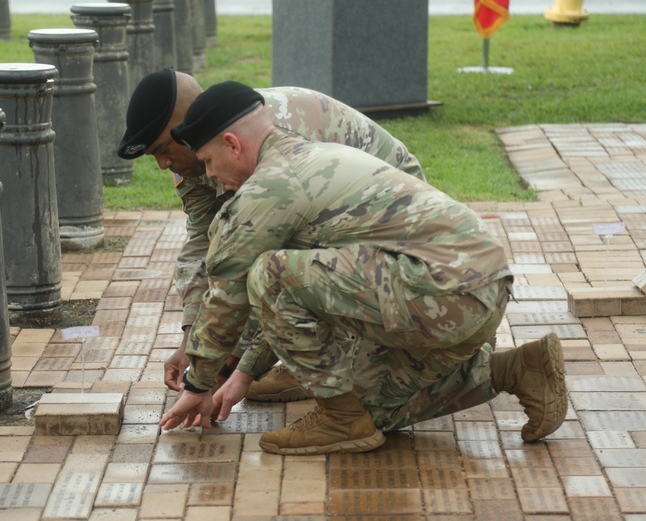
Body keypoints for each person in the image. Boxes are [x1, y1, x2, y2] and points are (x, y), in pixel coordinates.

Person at [157, 81, 568, 455]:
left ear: (233, 144)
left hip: (446, 293)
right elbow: (296, 302)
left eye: (209, 161)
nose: (210, 175)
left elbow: (231, 295)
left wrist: (199, 383)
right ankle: (518, 369)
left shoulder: (270, 188)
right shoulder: (312, 153)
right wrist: (246, 371)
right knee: (372, 411)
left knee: (269, 273)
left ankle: (340, 420)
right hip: (475, 291)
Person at [117, 69, 426, 404]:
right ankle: (311, 357)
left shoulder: (268, 133)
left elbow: (266, 256)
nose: (164, 165)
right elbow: (204, 246)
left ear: (185, 129)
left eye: (164, 149)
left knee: (373, 394)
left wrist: (225, 368)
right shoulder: (204, 150)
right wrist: (191, 341)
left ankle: (334, 363)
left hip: (396, 226)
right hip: (338, 228)